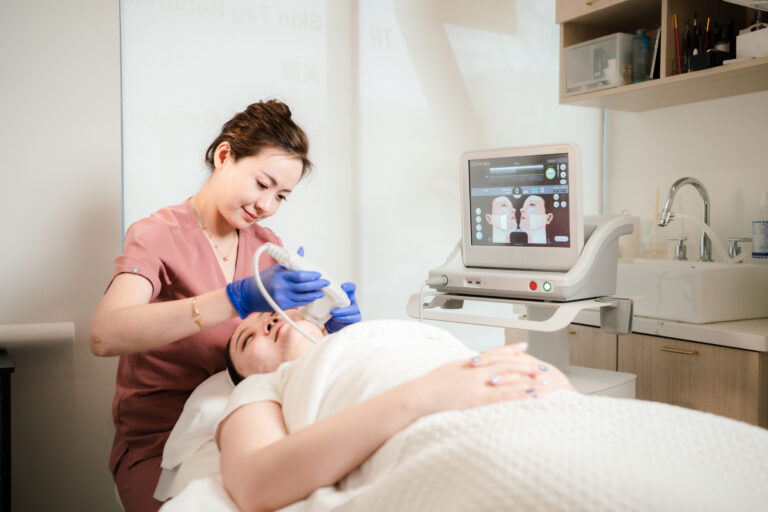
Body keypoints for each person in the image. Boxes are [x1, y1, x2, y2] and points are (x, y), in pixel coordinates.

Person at [88, 100, 362, 512]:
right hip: (161, 441)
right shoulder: (157, 236)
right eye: (262, 184)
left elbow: (283, 347)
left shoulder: (266, 246)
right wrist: (235, 298)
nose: (267, 205)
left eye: (281, 196)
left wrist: (332, 330)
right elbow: (105, 335)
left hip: (247, 421)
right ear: (224, 155)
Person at [217, 311, 574, 512]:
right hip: (455, 445)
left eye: (272, 315)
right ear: (244, 375)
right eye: (248, 339)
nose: (267, 324)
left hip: (555, 415)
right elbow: (254, 483)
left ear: (322, 326)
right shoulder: (264, 385)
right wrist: (426, 394)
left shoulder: (392, 335)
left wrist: (555, 387)